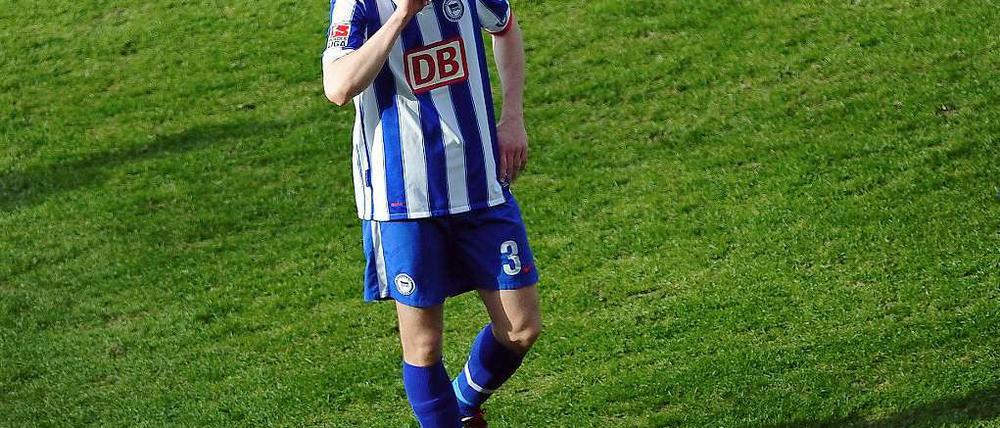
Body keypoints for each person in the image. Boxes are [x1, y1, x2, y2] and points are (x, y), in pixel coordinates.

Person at [321, 0, 540, 426]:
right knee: (423, 346)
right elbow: (339, 86)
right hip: (404, 200)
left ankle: (460, 403)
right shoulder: (358, 4)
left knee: (521, 327)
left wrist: (512, 116)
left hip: (480, 185)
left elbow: (506, 27)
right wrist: (401, 17)